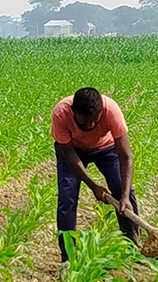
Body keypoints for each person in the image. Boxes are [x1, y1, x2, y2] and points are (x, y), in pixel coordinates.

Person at [52, 87, 139, 262]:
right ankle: (68, 257)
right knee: (66, 196)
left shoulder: (111, 111)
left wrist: (124, 196)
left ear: (101, 112)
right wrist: (94, 186)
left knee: (123, 189)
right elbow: (69, 154)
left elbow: (125, 155)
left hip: (105, 149)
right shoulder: (60, 113)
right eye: (84, 123)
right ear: (74, 113)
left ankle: (132, 245)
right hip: (74, 150)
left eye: (95, 121)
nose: (90, 126)